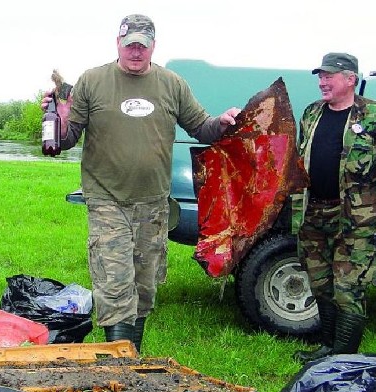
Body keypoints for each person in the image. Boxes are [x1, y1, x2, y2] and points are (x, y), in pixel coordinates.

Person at [41, 14, 240, 353]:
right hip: (107, 199)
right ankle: (118, 362)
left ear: (153, 46)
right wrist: (58, 119)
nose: (136, 52)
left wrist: (221, 122)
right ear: (118, 43)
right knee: (116, 281)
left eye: (142, 46)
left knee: (145, 285)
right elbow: (66, 139)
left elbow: (201, 128)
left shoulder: (172, 84)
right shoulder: (93, 80)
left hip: (153, 203)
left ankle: (130, 357)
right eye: (130, 44)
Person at [292, 53, 376, 363]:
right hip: (313, 213)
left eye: (329, 75)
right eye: (320, 75)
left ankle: (342, 360)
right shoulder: (311, 113)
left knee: (349, 287)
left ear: (350, 79)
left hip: (356, 219)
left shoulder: (374, 115)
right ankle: (327, 348)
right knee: (320, 283)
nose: (322, 81)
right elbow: (297, 161)